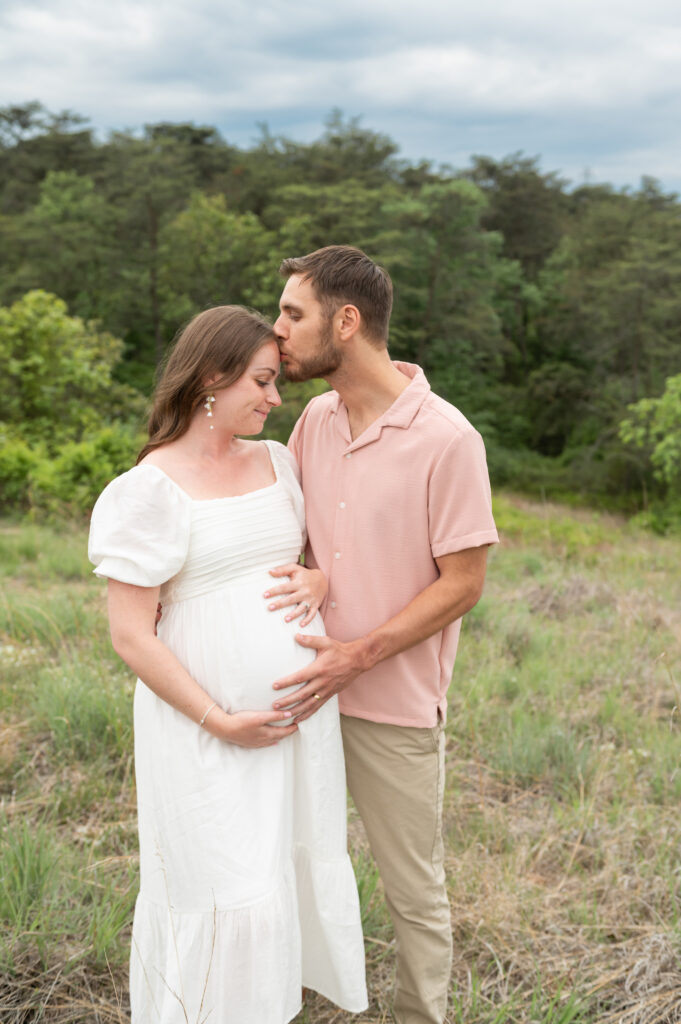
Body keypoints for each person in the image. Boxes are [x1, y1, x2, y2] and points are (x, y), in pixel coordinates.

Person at [87, 306, 367, 1024]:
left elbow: (312, 559)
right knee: (217, 883)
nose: (276, 399)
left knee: (278, 872)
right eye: (263, 383)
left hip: (296, 729)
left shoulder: (278, 463)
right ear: (211, 378)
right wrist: (220, 718)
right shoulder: (148, 489)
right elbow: (129, 634)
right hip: (204, 730)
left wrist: (320, 581)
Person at [263, 247, 499, 1024]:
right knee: (287, 867)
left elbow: (463, 583)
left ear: (347, 320)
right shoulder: (313, 421)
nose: (278, 331)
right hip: (297, 694)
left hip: (392, 709)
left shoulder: (447, 439)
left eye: (292, 314)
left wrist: (357, 656)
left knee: (412, 891)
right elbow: (291, 549)